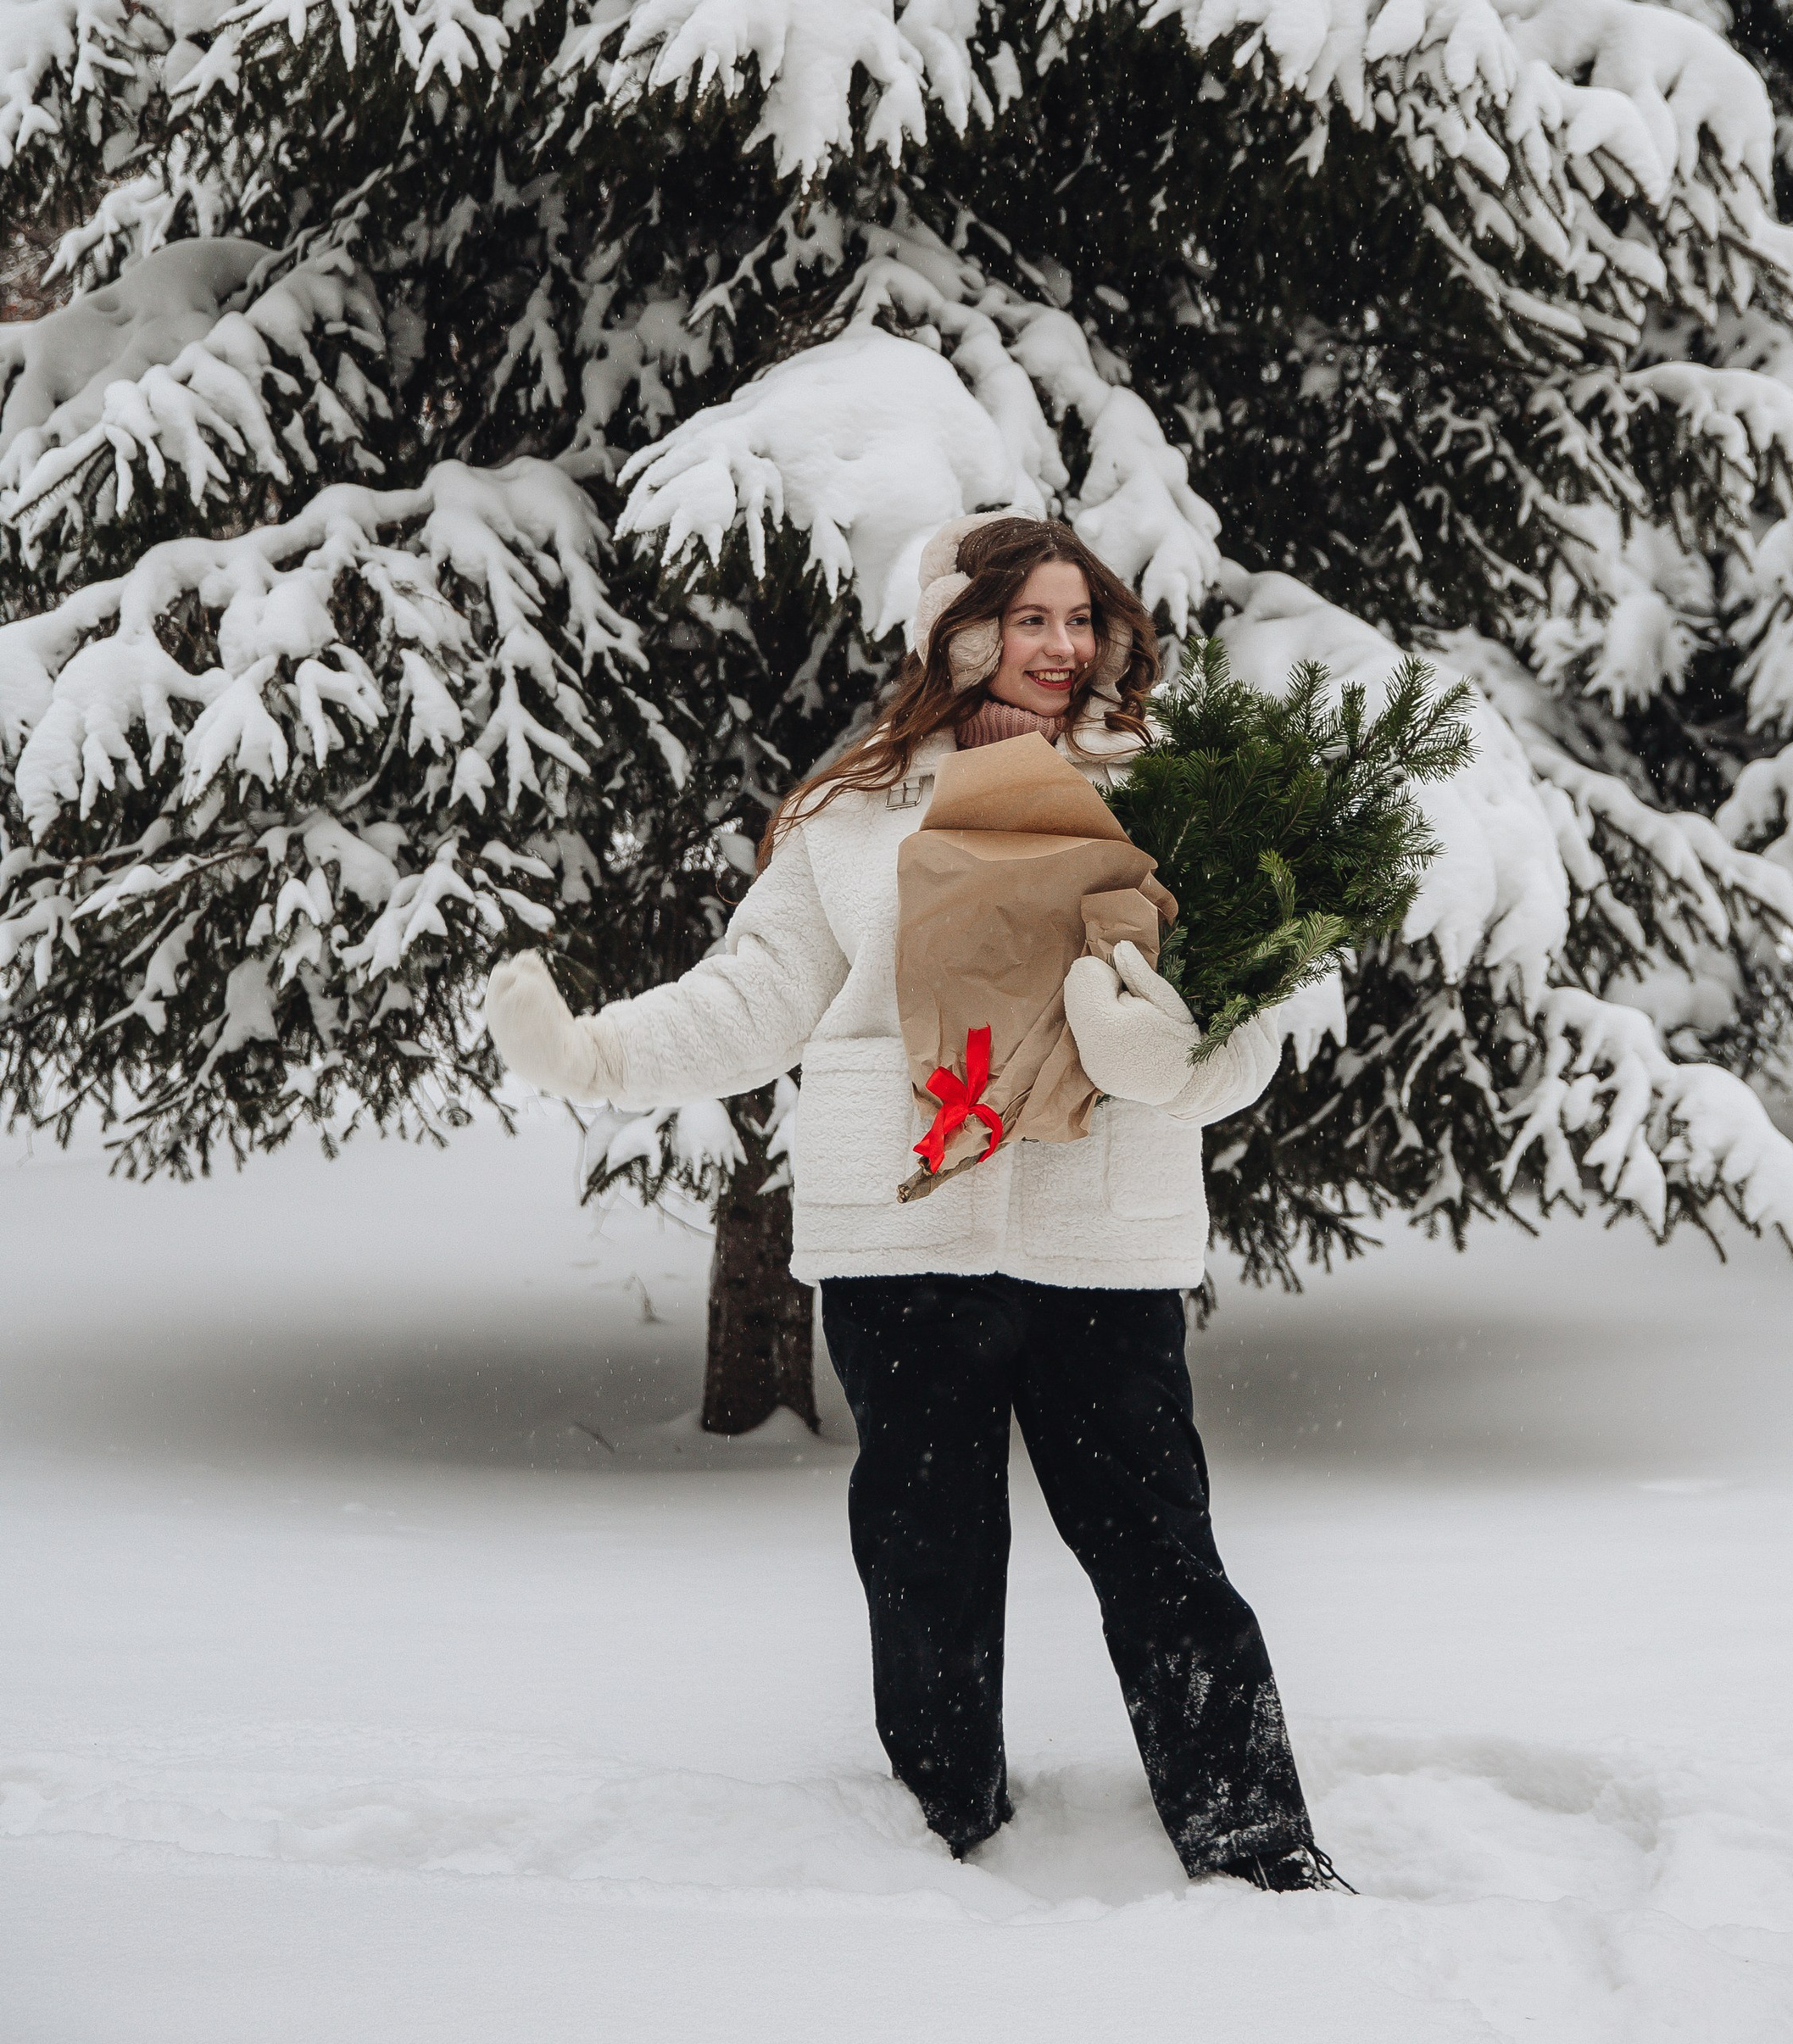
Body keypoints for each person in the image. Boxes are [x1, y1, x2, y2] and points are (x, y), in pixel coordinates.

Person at [486, 512, 1341, 1892]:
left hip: (1099, 1243)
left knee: (1160, 1552)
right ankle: (942, 1833)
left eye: (1081, 619)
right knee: (925, 1556)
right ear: (959, 632)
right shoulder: (853, 811)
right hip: (904, 1243)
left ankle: (1254, 1844)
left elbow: (1253, 1019)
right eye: (1030, 619)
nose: (1062, 647)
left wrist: (1172, 1059)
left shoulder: (1168, 793)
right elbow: (757, 998)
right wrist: (593, 1056)